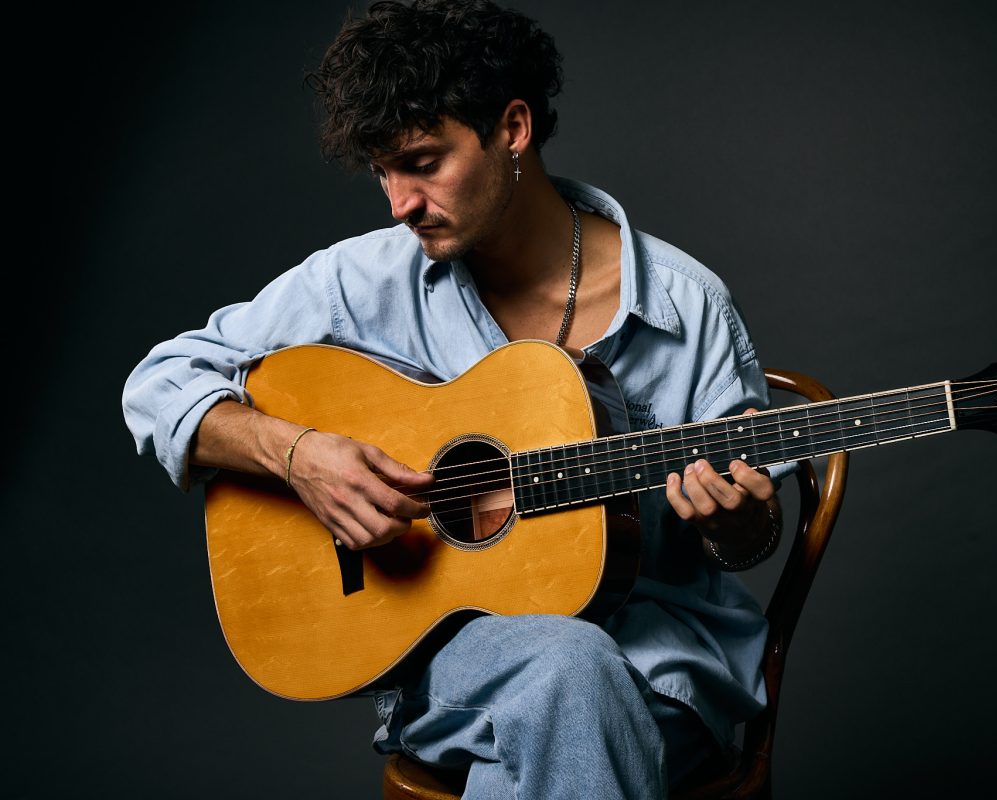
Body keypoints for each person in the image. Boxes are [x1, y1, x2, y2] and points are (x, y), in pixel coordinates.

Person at [122, 1, 786, 797]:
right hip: (462, 660)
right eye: (383, 170)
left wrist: (737, 523)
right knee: (565, 671)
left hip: (658, 673)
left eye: (425, 162)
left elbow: (747, 540)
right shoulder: (362, 280)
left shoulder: (686, 306)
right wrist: (299, 456)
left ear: (512, 128)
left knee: (561, 702)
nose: (399, 203)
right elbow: (159, 382)